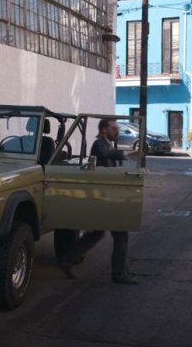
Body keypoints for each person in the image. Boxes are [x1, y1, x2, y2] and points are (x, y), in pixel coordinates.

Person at [57, 118, 138, 285]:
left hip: (106, 196)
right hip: (103, 197)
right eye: (114, 129)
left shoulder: (107, 144)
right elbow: (104, 155)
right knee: (121, 233)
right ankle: (119, 273)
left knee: (96, 233)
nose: (117, 132)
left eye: (117, 129)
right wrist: (126, 154)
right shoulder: (99, 144)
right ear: (104, 130)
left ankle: (67, 260)